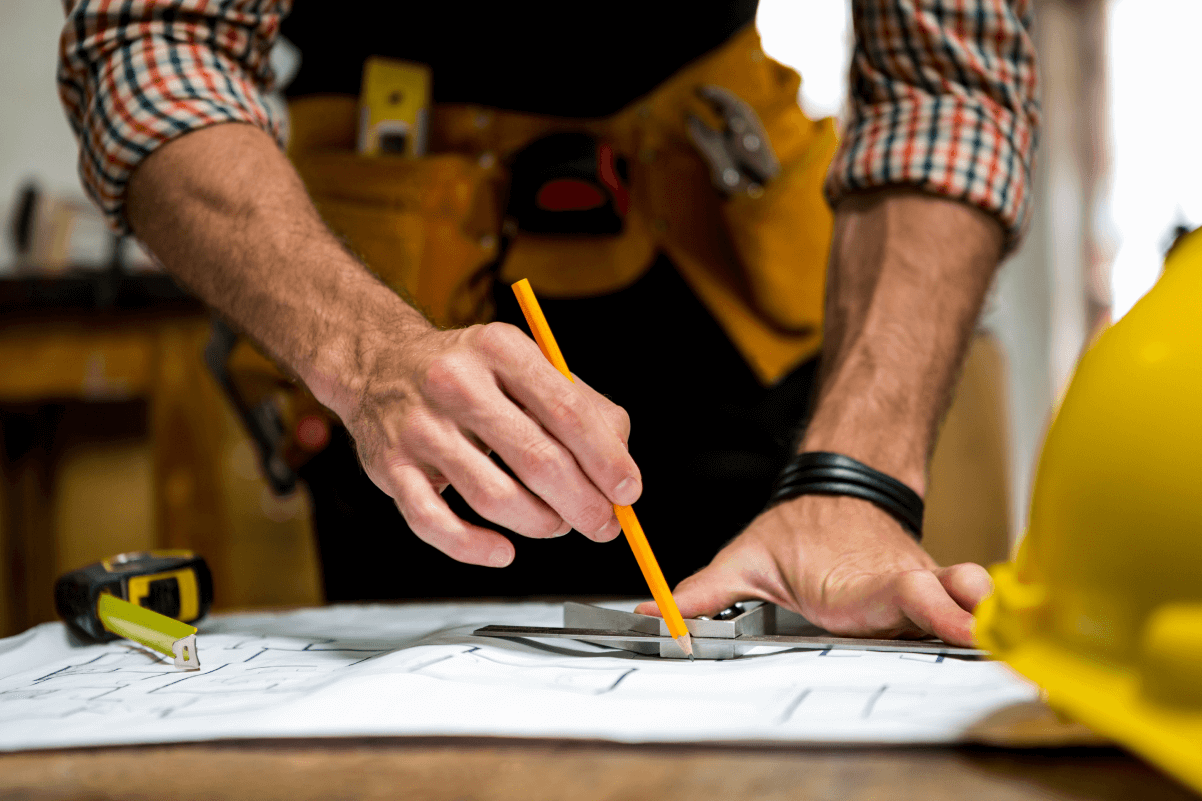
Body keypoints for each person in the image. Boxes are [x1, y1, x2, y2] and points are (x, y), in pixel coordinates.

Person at [57, 2, 1039, 648]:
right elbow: (153, 44)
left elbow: (942, 82)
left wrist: (850, 483)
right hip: (388, 273)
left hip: (722, 258)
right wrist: (365, 356)